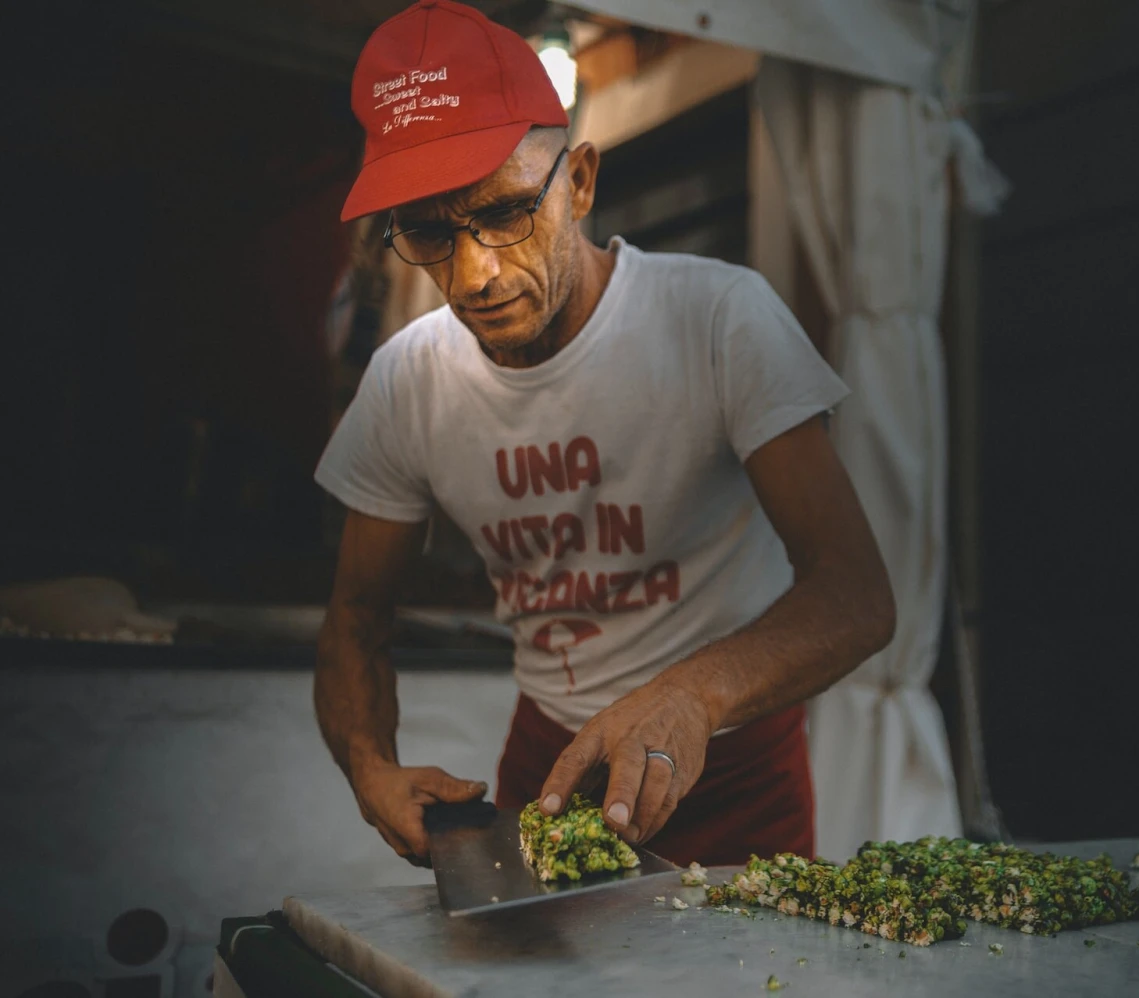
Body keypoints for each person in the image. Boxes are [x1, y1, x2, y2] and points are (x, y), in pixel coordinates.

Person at [313, 0, 894, 868]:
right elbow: (356, 616)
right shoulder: (406, 382)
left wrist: (693, 696)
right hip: (553, 765)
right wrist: (368, 769)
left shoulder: (718, 318)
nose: (474, 274)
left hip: (732, 765)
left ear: (578, 182)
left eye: (507, 212)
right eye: (430, 232)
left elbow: (856, 594)